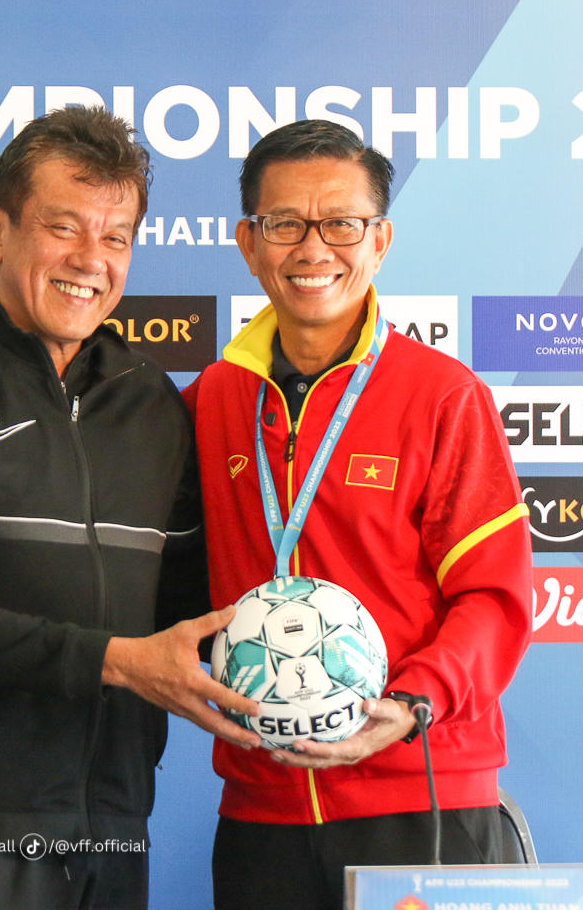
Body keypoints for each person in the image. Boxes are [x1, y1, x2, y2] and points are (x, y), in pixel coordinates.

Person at [0, 105, 258, 910]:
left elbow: (186, 607)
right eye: (63, 227)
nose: (90, 260)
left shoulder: (151, 402)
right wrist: (119, 661)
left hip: (115, 811)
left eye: (116, 237)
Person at [186, 119, 535, 910]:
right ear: (248, 243)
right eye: (285, 223)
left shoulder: (444, 398)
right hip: (262, 812)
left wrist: (410, 707)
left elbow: (496, 599)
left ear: (380, 241)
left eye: (341, 223)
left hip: (421, 797)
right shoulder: (212, 401)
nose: (314, 249)